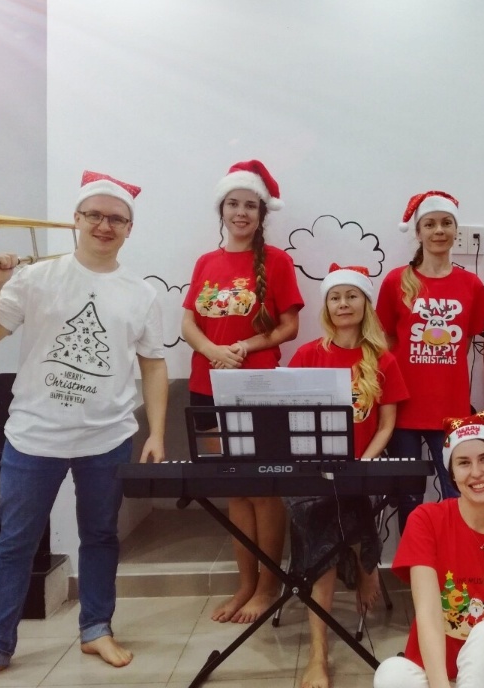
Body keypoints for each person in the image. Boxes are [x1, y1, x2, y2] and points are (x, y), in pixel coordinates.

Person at [0, 171, 168, 688]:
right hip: (33, 435)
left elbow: (154, 364)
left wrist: (156, 433)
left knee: (101, 536)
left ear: (129, 228)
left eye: (116, 218)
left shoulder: (142, 293)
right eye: (94, 215)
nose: (104, 226)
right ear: (76, 220)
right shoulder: (35, 276)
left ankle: (96, 629)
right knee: (14, 542)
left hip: (108, 437)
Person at [181, 159, 304, 624]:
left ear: (261, 213)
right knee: (235, 490)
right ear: (222, 209)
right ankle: (246, 584)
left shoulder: (277, 261)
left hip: (256, 387)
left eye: (250, 206)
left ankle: (269, 587)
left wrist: (243, 347)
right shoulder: (205, 262)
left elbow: (289, 326)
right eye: (233, 204)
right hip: (205, 387)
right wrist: (212, 349)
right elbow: (188, 322)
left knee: (263, 491)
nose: (241, 213)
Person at [287, 264, 409, 688]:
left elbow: (387, 424)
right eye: (335, 297)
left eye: (352, 296)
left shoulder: (384, 359)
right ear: (327, 306)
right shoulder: (308, 355)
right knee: (322, 539)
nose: (343, 304)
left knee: (350, 504)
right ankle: (318, 654)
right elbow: (287, 416)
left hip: (361, 467)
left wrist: (363, 462)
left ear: (365, 304)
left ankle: (364, 561)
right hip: (312, 471)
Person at [374, 410, 484, 688]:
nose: (476, 472)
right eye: (464, 462)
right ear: (452, 474)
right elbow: (428, 615)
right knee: (391, 674)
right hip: (438, 675)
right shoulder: (426, 520)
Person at [377, 190, 484, 531]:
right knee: (409, 495)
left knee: (457, 489)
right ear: (418, 232)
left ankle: (456, 555)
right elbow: (386, 340)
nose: (439, 230)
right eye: (430, 224)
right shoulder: (396, 281)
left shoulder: (472, 284)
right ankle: (414, 558)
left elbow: (466, 340)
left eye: (446, 223)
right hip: (403, 406)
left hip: (451, 408)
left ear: (456, 230)